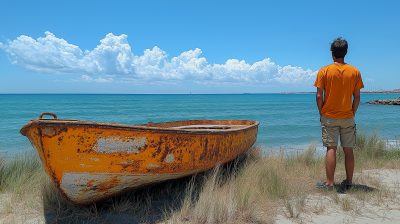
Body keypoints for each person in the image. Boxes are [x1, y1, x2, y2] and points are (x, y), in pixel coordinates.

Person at [314, 37, 364, 190]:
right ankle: (349, 183)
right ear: (346, 52)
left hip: (329, 116)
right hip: (348, 116)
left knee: (331, 149)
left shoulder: (324, 71)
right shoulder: (354, 71)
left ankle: (329, 184)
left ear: (332, 53)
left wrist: (321, 112)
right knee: (348, 150)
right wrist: (352, 112)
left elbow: (318, 95)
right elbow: (356, 97)